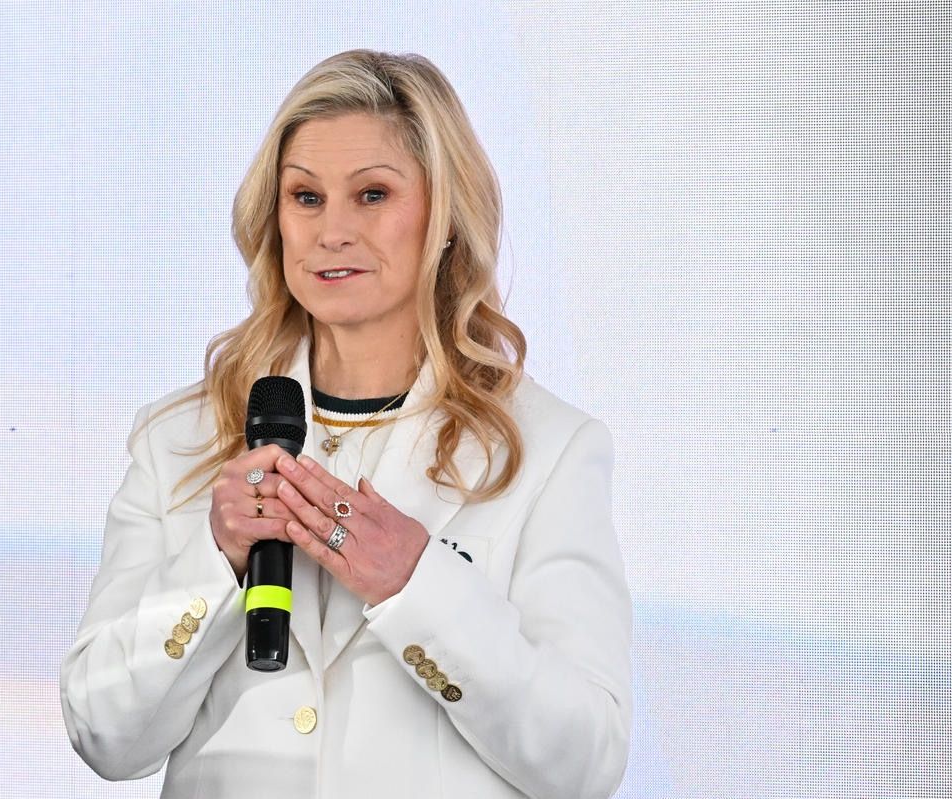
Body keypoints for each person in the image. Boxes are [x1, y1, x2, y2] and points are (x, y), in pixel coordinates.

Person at [61, 49, 631, 799]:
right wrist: (215, 559)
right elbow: (105, 736)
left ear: (445, 216)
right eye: (305, 196)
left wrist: (416, 586)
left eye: (372, 194)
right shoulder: (178, 439)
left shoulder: (547, 449)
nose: (332, 231)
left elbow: (583, 763)